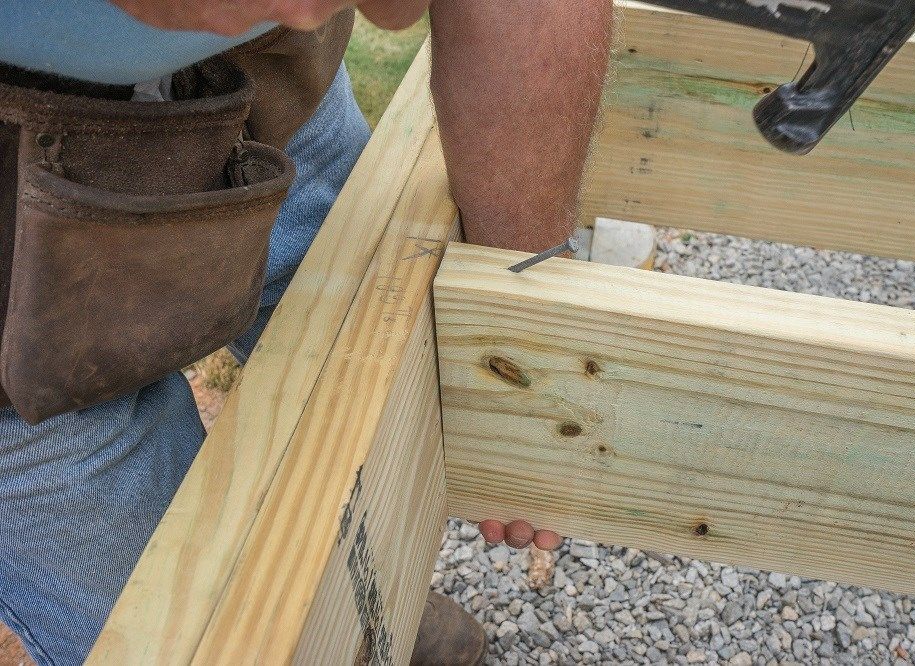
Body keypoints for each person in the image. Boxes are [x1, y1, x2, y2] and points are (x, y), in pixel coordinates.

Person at [0, 0, 611, 663]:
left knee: (378, 369)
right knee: (168, 618)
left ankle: (363, 612)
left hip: (271, 89)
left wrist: (514, 329)